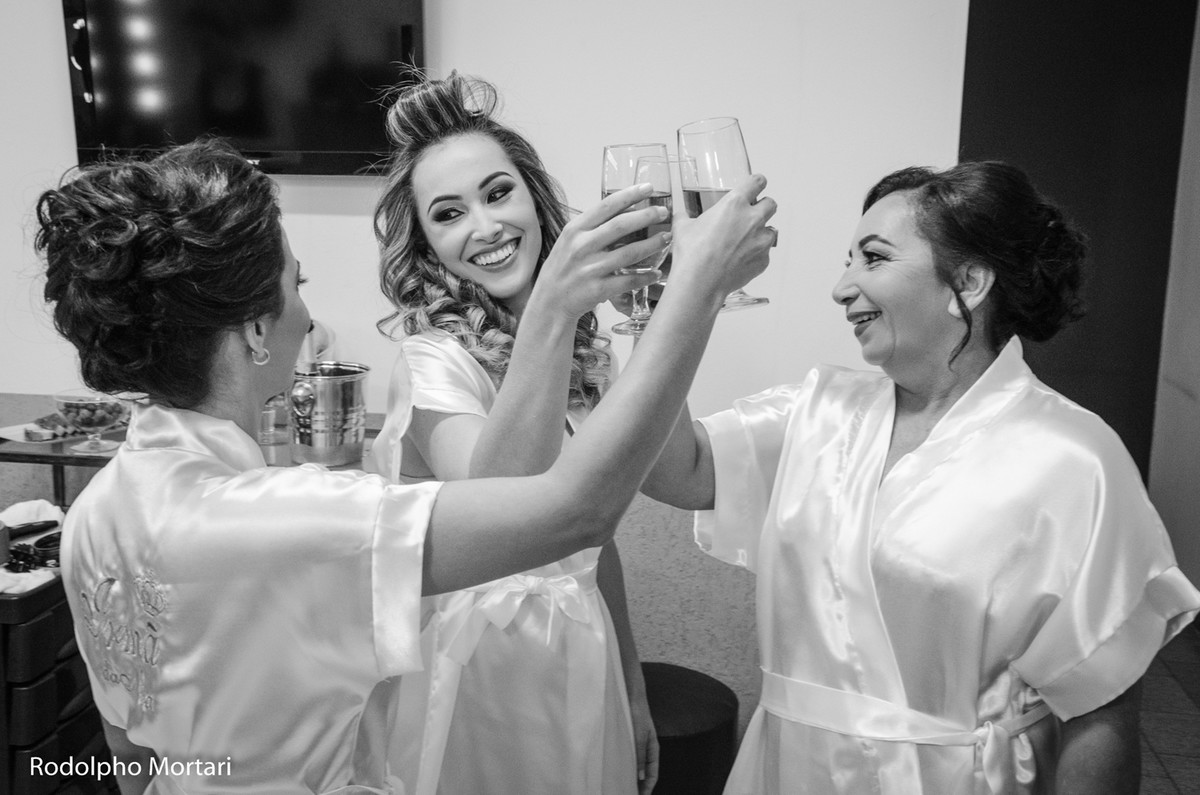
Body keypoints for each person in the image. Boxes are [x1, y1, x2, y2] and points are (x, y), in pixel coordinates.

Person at [36, 137, 777, 794]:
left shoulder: (96, 511)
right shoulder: (291, 516)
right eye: (297, 286)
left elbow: (128, 752)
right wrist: (693, 288)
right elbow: (573, 511)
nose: (309, 318)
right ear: (256, 329)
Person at [641, 161, 1200, 794]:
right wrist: (670, 303)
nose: (842, 287)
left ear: (969, 281)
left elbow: (1100, 709)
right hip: (789, 768)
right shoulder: (817, 412)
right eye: (847, 261)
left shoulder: (1074, 457)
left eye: (874, 259)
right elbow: (673, 470)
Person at [370, 73, 661, 795]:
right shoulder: (431, 360)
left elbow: (590, 533)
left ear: (534, 198)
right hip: (477, 664)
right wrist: (556, 308)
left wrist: (632, 682)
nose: (486, 227)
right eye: (449, 214)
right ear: (428, 245)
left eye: (498, 194)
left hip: (582, 645)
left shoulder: (587, 354)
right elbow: (502, 498)